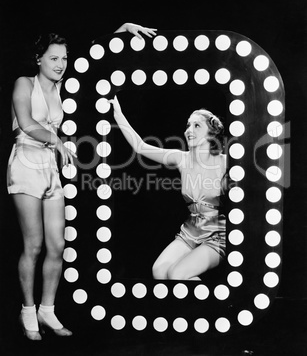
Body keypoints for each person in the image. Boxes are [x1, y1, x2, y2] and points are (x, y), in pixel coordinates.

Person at [7, 23, 157, 341]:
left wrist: (120, 31)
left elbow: (96, 63)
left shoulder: (64, 87)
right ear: (38, 59)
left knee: (57, 246)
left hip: (50, 170)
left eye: (64, 58)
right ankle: (27, 311)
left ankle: (48, 310)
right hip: (25, 165)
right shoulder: (24, 83)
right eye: (53, 58)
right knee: (33, 245)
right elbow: (26, 122)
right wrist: (58, 141)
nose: (61, 64)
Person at [108, 96, 227, 281]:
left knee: (177, 274)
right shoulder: (181, 158)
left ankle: (208, 310)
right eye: (188, 125)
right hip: (191, 231)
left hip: (217, 235)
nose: (189, 130)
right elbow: (140, 147)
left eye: (197, 126)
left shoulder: (225, 162)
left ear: (211, 133)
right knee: (160, 271)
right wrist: (118, 114)